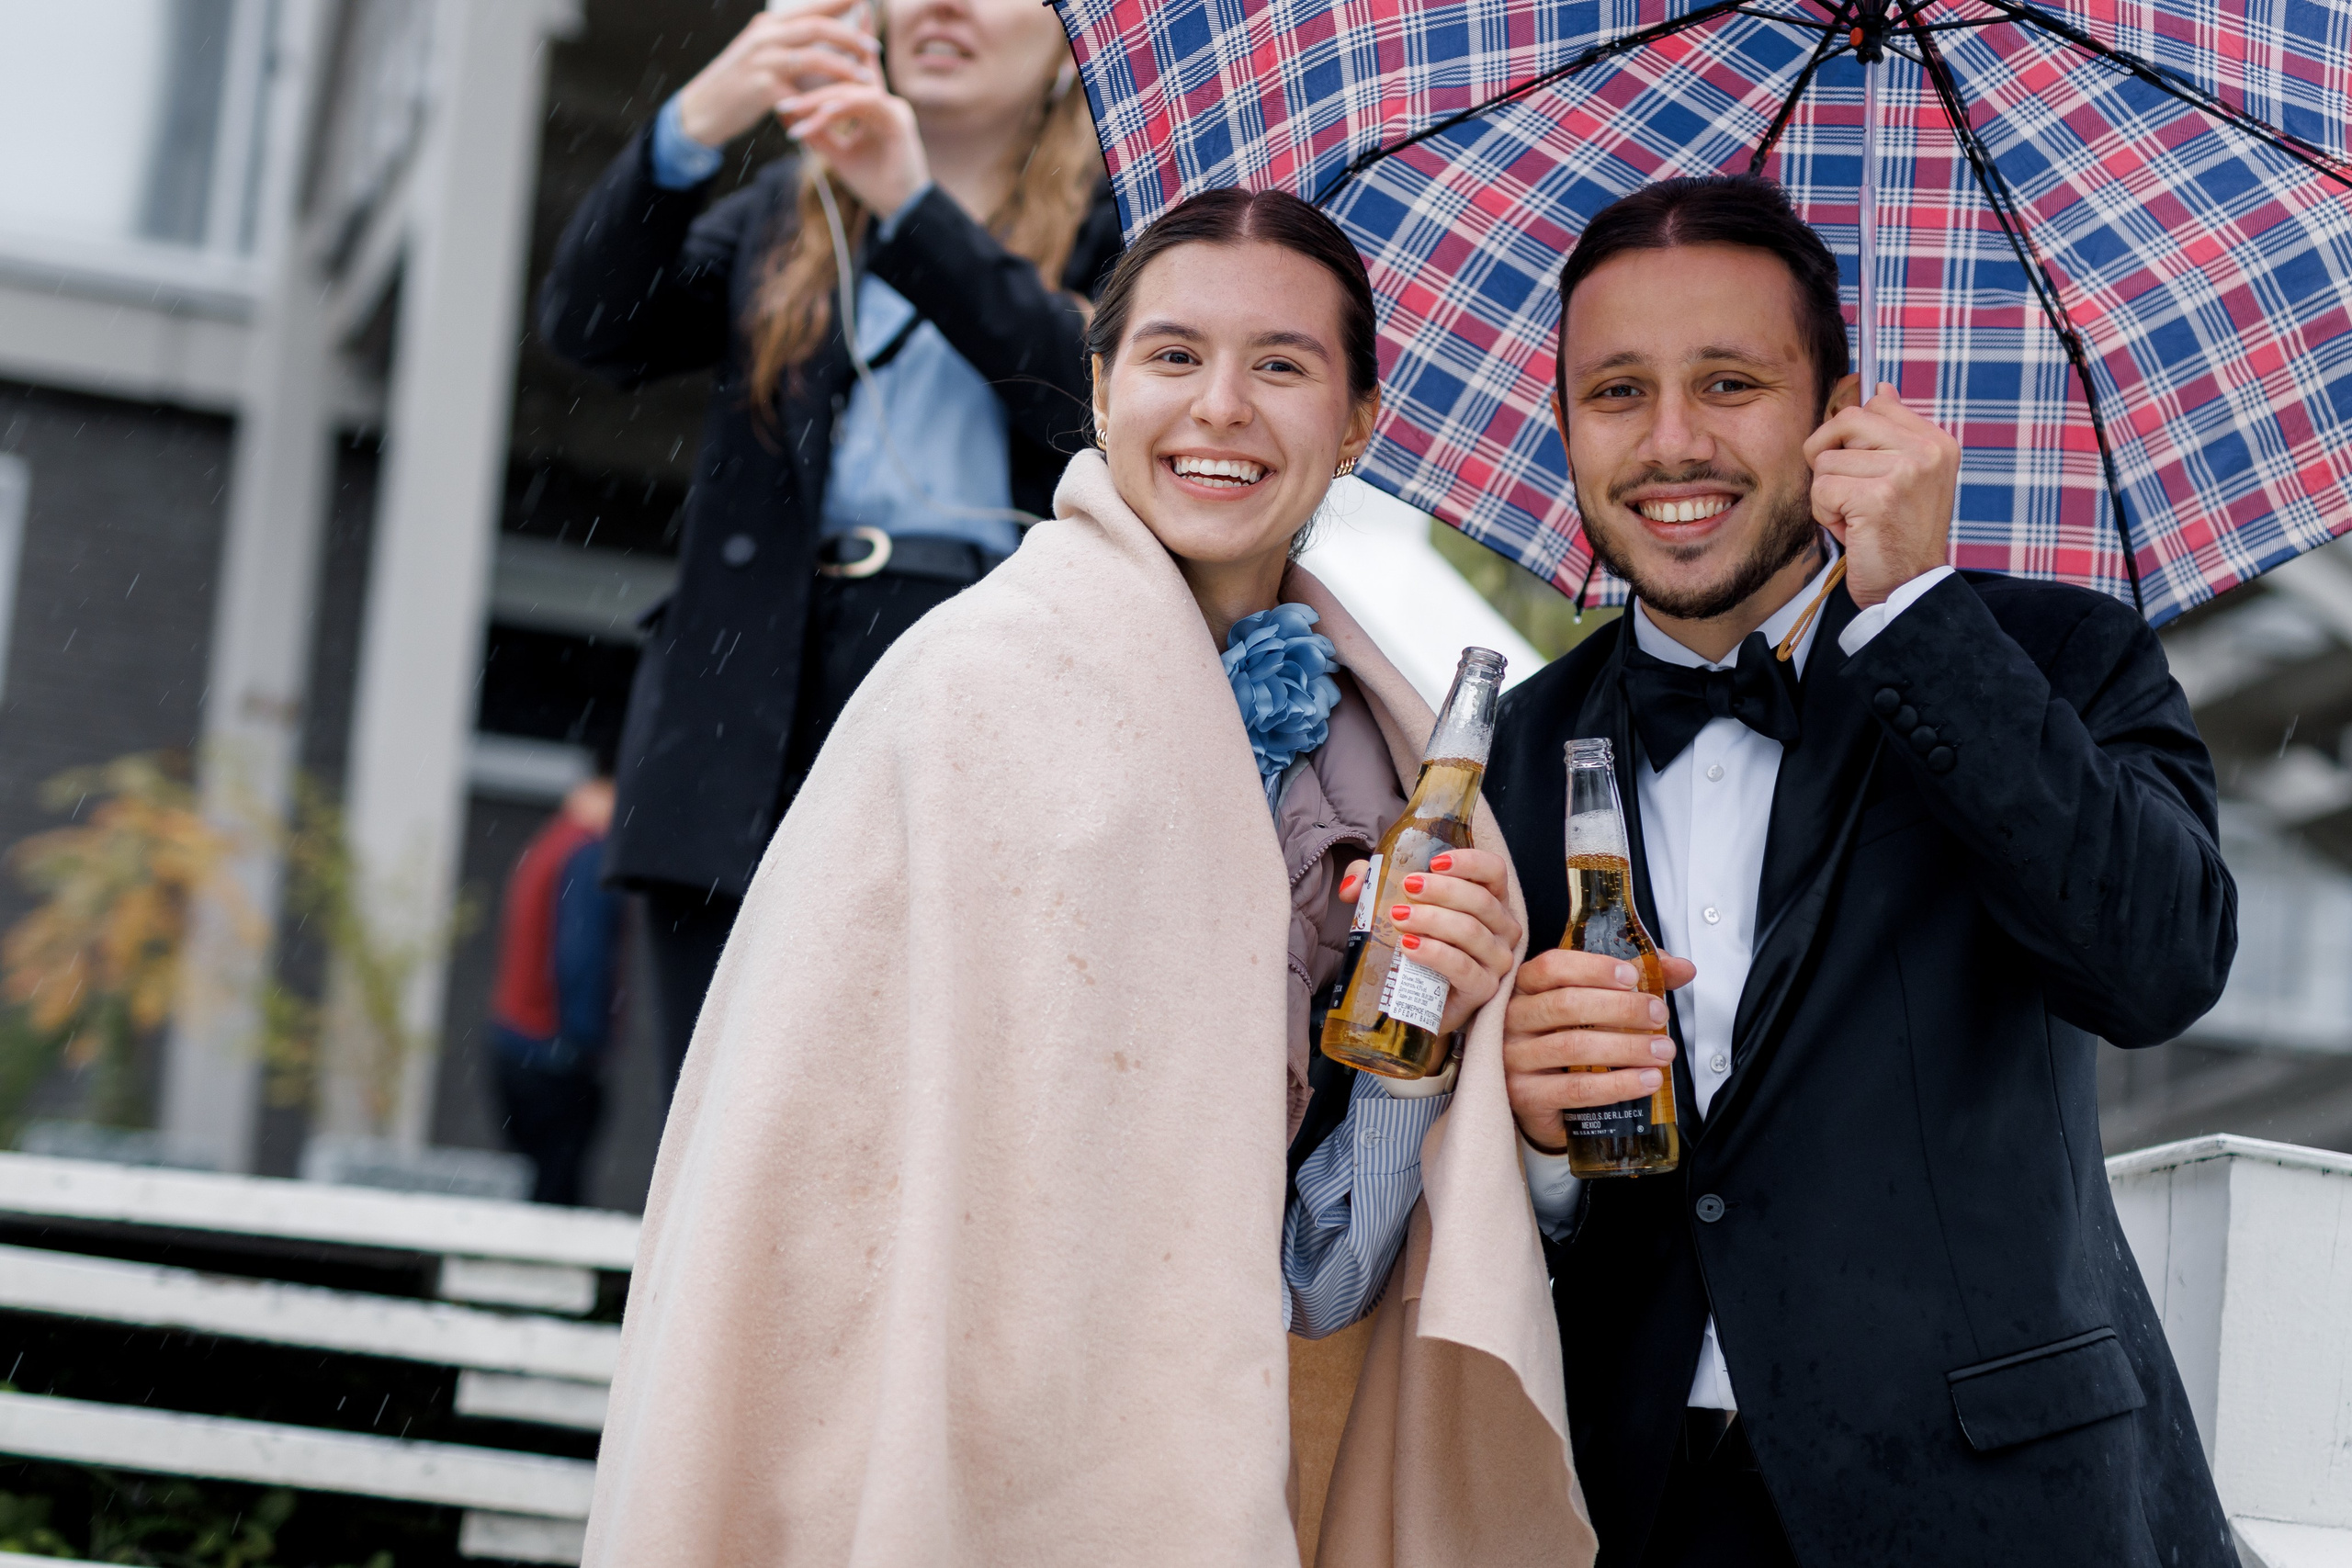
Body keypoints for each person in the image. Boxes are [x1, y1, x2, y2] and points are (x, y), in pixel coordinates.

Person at [582, 189, 1589, 1566]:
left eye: (1283, 365)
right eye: (1174, 357)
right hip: (954, 1460)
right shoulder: (965, 692)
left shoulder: (1400, 770)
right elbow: (815, 1198)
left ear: (1361, 419)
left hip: (1196, 1483)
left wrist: (1424, 1056)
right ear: (1103, 390)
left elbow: (1317, 1281)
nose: (1220, 407)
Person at [1486, 174, 2237, 1568]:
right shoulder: (1501, 757)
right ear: (1565, 423)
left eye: (1729, 382)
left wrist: (1917, 610)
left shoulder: (2061, 657)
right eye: (1617, 392)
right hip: (1626, 1513)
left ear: (1835, 406)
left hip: (2001, 1514)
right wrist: (1531, 1142)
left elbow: (2159, 964)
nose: (1670, 442)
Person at [537, 0, 1123, 1094]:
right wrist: (700, 117)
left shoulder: (1121, 228)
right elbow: (595, 327)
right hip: (745, 696)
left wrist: (911, 205)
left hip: (974, 689)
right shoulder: (789, 210)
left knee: (914, 1115)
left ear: (1068, 42)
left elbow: (1094, 406)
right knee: (717, 1120)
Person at [487, 773, 625, 1207]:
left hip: (515, 1044)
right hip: (553, 1053)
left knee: (534, 1187)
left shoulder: (551, 840)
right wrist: (586, 1048)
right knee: (557, 1198)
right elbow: (582, 956)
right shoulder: (586, 851)